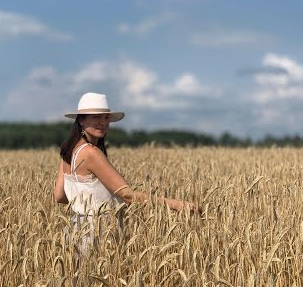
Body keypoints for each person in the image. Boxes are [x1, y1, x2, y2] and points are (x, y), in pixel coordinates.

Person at [53, 93, 199, 253]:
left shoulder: (68, 152)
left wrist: (84, 203)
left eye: (106, 118)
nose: (102, 123)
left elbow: (59, 196)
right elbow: (127, 195)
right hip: (99, 234)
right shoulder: (90, 153)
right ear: (81, 120)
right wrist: (176, 205)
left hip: (75, 231)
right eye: (96, 117)